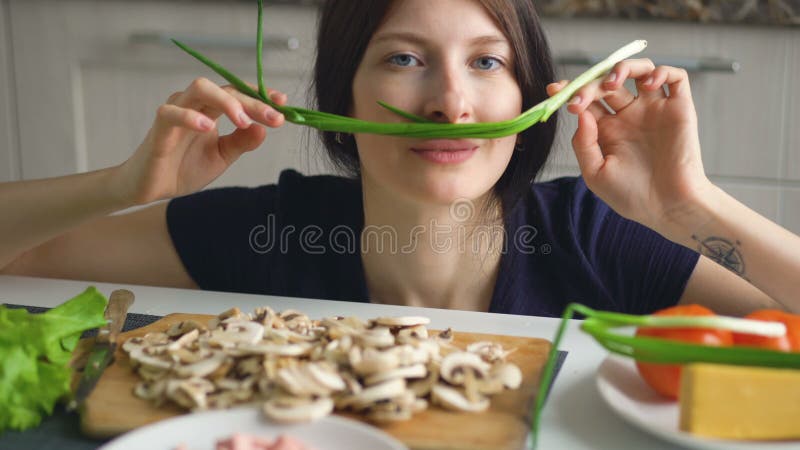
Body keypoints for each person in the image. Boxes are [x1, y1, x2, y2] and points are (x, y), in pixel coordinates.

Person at [1, 0, 797, 317]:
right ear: (339, 98)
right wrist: (124, 185)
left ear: (534, 101)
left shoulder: (587, 236)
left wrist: (689, 206)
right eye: (404, 59)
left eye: (487, 63)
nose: (450, 104)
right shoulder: (277, 230)